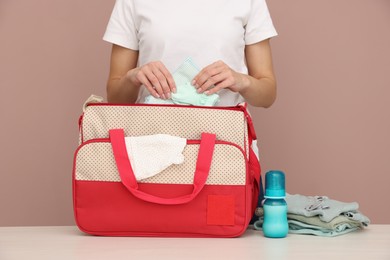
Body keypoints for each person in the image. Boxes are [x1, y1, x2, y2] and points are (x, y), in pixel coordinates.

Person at [103, 0, 277, 221]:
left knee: (229, 246)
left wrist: (240, 80)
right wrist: (133, 77)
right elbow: (116, 97)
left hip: (225, 154)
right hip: (152, 157)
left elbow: (268, 94)